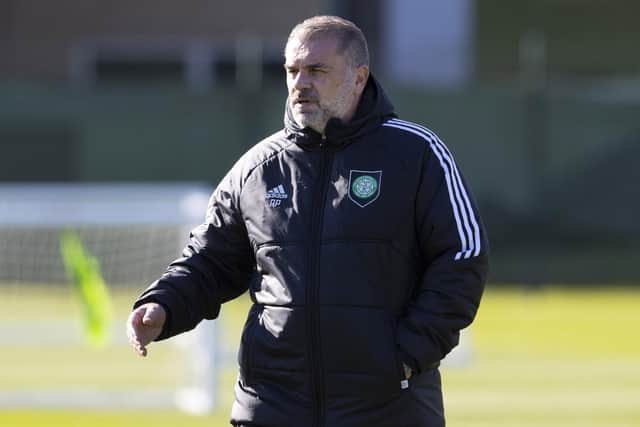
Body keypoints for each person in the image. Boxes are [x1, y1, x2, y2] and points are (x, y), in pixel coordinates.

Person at [127, 15, 488, 427]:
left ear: (358, 77)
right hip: (271, 404)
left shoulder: (417, 154)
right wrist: (163, 304)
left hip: (386, 406)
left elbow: (463, 257)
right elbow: (209, 261)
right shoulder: (258, 169)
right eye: (292, 70)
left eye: (316, 70)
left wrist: (405, 356)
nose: (301, 82)